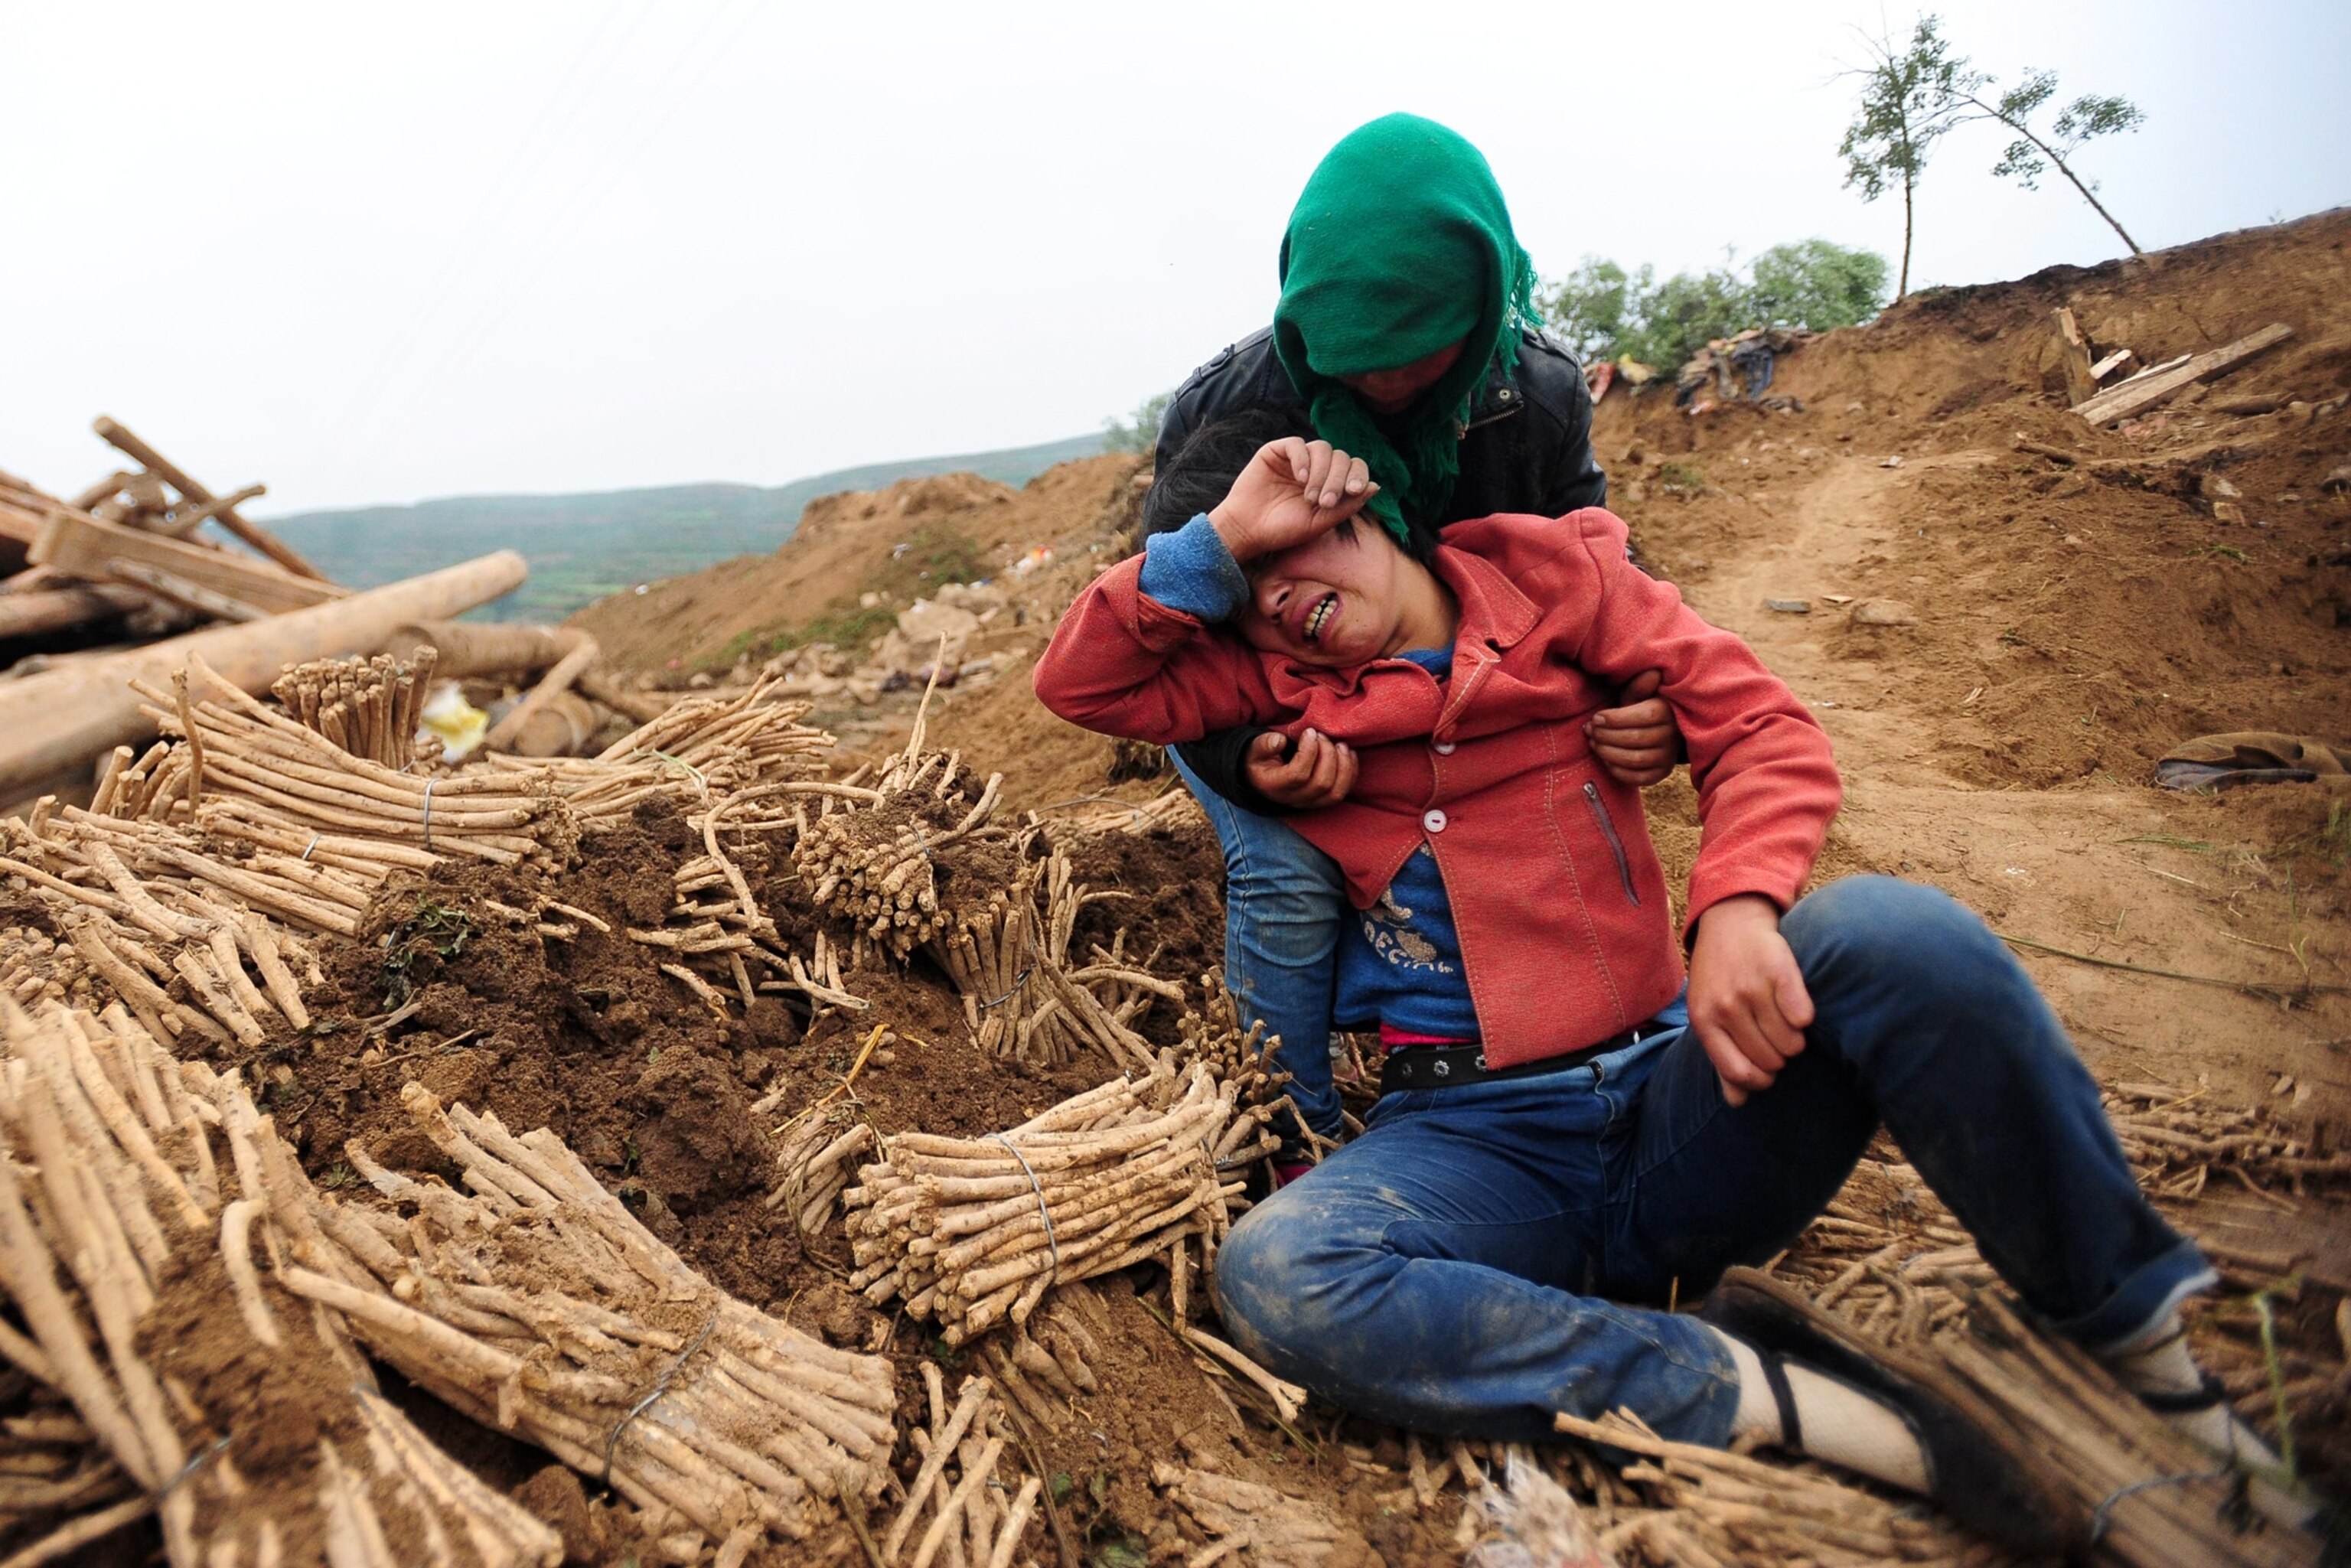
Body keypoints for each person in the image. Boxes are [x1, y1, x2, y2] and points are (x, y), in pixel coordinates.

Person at [1033, 418, 2303, 1553]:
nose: (1278, 607)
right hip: (1474, 1151)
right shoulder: (1283, 688)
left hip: (1679, 1109)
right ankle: (1812, 1409)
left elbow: (1762, 725)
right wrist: (1224, 536)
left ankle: (2135, 1344)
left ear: (1358, 508)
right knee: (1282, 1268)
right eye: (1246, 600)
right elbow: (1078, 684)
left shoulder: (1560, 580)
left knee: (1893, 935)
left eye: (1291, 559)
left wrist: (1740, 909)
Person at [1156, 113, 1679, 1153]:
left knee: (1548, 822)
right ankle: (1285, 1138)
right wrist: (1252, 758)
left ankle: (1573, 1091)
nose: (1383, 383)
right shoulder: (1235, 411)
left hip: (1457, 687)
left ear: (1482, 304)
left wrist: (1650, 701)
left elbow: (1595, 571)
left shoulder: (1533, 394)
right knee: (1293, 874)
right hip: (1273, 699)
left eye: (1414, 353)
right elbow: (1172, 634)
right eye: (1350, 361)